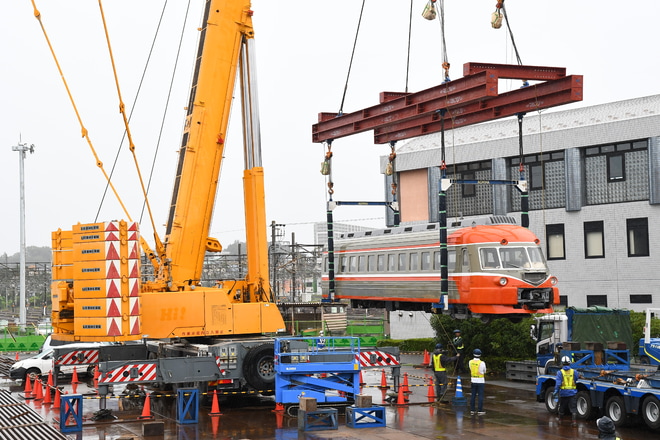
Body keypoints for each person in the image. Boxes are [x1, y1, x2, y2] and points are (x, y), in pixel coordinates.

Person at [554, 355, 579, 426]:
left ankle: (560, 421)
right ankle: (574, 422)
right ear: (569, 363)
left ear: (562, 363)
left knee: (562, 407)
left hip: (563, 393)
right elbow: (576, 379)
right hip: (572, 393)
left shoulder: (560, 372)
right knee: (573, 408)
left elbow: (558, 384)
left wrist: (556, 391)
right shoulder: (574, 372)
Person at [469, 348, 486, 415]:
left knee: (473, 395)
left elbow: (470, 369)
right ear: (480, 355)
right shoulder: (482, 363)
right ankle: (480, 410)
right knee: (480, 396)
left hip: (473, 380)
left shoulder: (470, 362)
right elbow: (484, 371)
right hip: (480, 381)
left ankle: (472, 410)